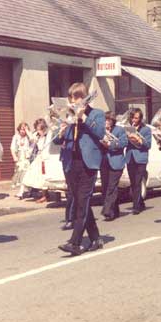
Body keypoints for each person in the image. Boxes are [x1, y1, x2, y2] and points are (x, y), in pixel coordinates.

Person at [54, 82, 105, 256]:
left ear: (84, 98)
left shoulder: (96, 114)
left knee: (81, 203)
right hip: (71, 163)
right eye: (71, 97)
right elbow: (55, 140)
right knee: (82, 201)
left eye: (76, 97)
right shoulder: (68, 115)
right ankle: (96, 238)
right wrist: (60, 132)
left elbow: (100, 133)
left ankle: (74, 242)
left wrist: (83, 118)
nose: (73, 101)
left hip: (88, 164)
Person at [100, 111, 128, 221]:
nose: (107, 122)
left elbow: (124, 143)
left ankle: (107, 211)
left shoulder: (119, 130)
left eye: (109, 120)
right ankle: (115, 210)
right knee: (105, 187)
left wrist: (110, 144)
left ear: (113, 121)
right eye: (105, 120)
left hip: (116, 162)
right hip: (104, 162)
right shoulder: (101, 131)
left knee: (112, 187)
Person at [125, 108, 151, 215]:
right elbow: (124, 143)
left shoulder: (146, 129)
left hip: (140, 159)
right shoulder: (128, 128)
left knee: (137, 182)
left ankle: (136, 207)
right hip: (130, 157)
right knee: (133, 182)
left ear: (140, 118)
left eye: (136, 118)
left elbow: (148, 145)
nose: (134, 120)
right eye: (132, 117)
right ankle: (141, 202)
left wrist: (139, 140)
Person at [10, 122, 34, 199]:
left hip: (27, 158)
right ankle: (29, 190)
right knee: (20, 174)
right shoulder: (16, 137)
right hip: (19, 157)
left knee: (25, 174)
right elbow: (12, 147)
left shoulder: (28, 137)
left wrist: (27, 131)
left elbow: (33, 140)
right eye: (21, 129)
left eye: (24, 129)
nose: (23, 131)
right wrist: (14, 156)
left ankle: (21, 192)